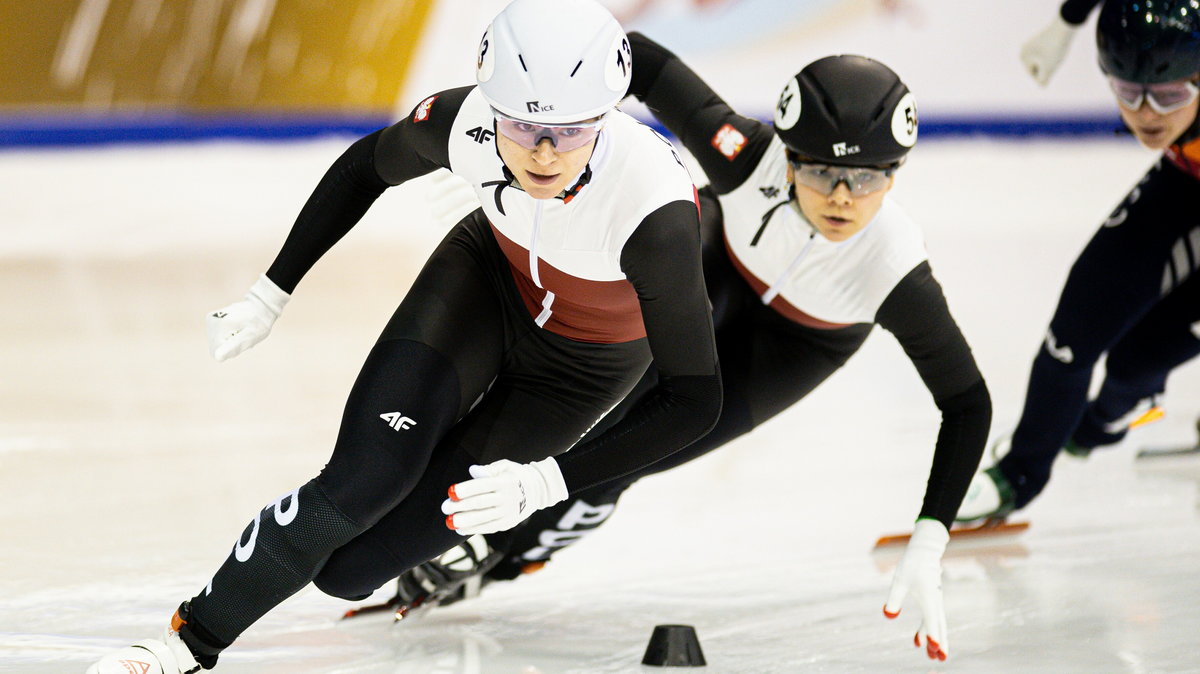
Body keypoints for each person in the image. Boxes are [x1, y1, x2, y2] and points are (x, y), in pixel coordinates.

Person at [85, 1, 723, 672]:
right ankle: (188, 643)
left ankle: (441, 544)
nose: (541, 152)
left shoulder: (655, 215)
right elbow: (365, 167)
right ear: (490, 104)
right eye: (522, 125)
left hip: (580, 369)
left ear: (607, 116)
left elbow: (694, 400)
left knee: (348, 573)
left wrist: (547, 482)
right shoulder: (466, 123)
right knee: (361, 483)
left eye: (569, 132)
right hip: (484, 283)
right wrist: (271, 292)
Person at [389, 33, 993, 664]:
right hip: (714, 262)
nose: (842, 196)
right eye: (818, 169)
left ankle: (502, 557)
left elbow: (967, 401)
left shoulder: (894, 269)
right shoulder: (745, 154)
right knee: (592, 386)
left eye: (867, 178)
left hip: (800, 343)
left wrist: (931, 540)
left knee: (632, 453)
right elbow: (633, 59)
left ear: (897, 174)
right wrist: (522, 154)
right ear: (785, 157)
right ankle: (468, 489)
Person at [957, 0, 1200, 521]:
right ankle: (1018, 476)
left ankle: (1106, 419)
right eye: (1126, 91)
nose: (1146, 115)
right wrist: (1068, 21)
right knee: (1075, 331)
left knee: (1141, 359)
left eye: (1170, 94)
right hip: (1188, 181)